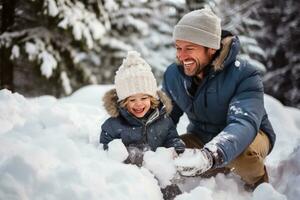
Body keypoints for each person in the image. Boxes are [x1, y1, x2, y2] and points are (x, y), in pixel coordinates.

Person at [162, 8, 276, 190]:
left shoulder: (245, 74)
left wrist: (211, 155)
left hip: (251, 135)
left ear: (211, 48)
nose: (181, 56)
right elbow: (165, 118)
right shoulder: (174, 75)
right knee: (166, 153)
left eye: (189, 48)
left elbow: (243, 122)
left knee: (243, 157)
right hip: (201, 135)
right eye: (178, 48)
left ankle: (258, 184)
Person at [100, 51, 185, 199]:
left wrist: (176, 146)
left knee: (172, 191)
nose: (138, 104)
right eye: (132, 100)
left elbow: (171, 137)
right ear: (123, 102)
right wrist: (129, 154)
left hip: (159, 173)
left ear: (152, 99)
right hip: (130, 177)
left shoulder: (163, 120)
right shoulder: (114, 124)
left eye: (144, 98)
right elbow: (106, 145)